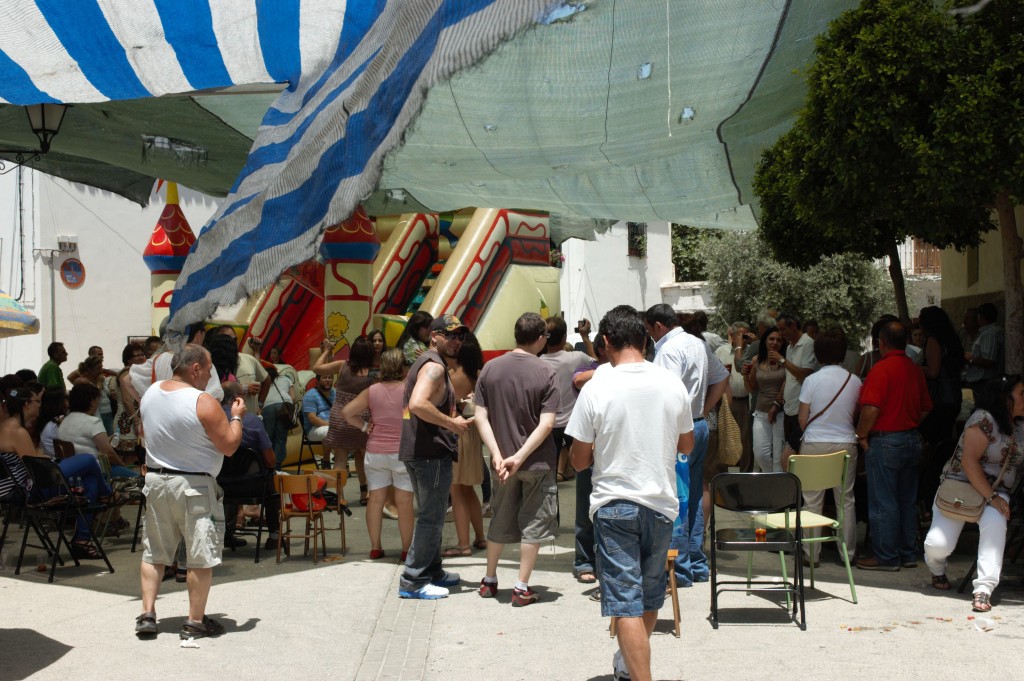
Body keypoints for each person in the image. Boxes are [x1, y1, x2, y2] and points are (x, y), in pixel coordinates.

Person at [567, 305, 694, 681]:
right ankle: (627, 666)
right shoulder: (672, 383)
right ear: (645, 339)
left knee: (625, 604)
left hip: (614, 505)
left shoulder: (597, 387)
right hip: (660, 505)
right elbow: (686, 444)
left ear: (605, 342)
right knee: (650, 597)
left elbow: (577, 461)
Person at [136, 344, 246, 639]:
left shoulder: (151, 393)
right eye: (209, 370)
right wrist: (236, 418)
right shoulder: (203, 401)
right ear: (195, 368)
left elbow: (144, 433)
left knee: (154, 552)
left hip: (157, 481)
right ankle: (194, 621)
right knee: (200, 556)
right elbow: (229, 445)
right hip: (194, 486)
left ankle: (147, 614)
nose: (210, 376)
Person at [474, 313, 559, 606]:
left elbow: (480, 416)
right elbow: (547, 423)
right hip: (535, 463)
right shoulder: (545, 372)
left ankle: (489, 579)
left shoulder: (490, 368)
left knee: (500, 517)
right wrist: (519, 457)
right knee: (534, 523)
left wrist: (498, 455)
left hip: (501, 464)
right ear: (539, 339)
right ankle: (521, 587)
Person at [923, 375, 1024, 613]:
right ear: (1004, 397)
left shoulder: (1020, 426)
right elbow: (969, 462)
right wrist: (991, 497)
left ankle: (984, 589)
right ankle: (937, 569)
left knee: (996, 523)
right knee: (938, 545)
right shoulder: (984, 420)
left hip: (997, 493)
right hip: (962, 487)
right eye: (1021, 393)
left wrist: (995, 499)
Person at [644, 303, 728, 587]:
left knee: (677, 499)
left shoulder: (668, 350)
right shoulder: (696, 343)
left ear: (657, 326)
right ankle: (696, 563)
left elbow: (664, 395)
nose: (650, 337)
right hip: (698, 424)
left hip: (679, 429)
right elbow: (721, 377)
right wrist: (703, 409)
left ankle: (679, 569)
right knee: (691, 496)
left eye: (649, 331)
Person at [397, 314, 471, 599]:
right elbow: (417, 404)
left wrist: (455, 406)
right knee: (431, 516)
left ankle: (433, 570)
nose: (456, 340)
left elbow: (425, 402)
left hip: (421, 450)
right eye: (449, 334)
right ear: (434, 337)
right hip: (429, 453)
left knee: (434, 514)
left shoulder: (430, 363)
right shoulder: (435, 368)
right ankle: (413, 580)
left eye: (460, 336)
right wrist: (452, 424)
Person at [0, 383, 117, 559]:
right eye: (37, 401)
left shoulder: (6, 425)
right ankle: (108, 494)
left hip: (20, 487)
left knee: (90, 482)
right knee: (88, 460)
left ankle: (81, 541)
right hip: (28, 490)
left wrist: (43, 457)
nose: (40, 405)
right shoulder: (17, 431)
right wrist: (46, 458)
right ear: (27, 405)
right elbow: (38, 468)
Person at [854, 321, 932, 571]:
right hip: (911, 438)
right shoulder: (915, 369)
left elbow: (871, 407)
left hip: (887, 439)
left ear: (881, 342)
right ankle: (907, 553)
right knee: (907, 500)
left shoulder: (881, 369)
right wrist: (906, 422)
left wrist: (861, 435)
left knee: (883, 502)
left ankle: (886, 556)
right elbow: (925, 408)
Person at [792, 328, 861, 564]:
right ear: (842, 353)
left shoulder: (811, 380)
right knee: (846, 499)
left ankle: (812, 554)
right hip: (846, 443)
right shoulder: (855, 381)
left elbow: (802, 418)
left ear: (818, 353)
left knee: (812, 499)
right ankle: (848, 554)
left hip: (814, 443)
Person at [342, 348, 413, 560]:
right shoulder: (409, 390)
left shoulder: (372, 391)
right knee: (404, 502)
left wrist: (365, 427)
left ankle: (375, 547)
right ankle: (406, 550)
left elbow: (347, 413)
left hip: (375, 452)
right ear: (402, 368)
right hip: (402, 451)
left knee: (375, 500)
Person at [217, 381, 280, 551]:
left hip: (219, 483)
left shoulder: (212, 420)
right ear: (238, 399)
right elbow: (270, 460)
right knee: (272, 481)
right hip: (252, 485)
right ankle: (274, 536)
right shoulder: (252, 420)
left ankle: (227, 533)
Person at [917, 306, 966, 507]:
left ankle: (929, 494)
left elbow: (934, 371)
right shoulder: (951, 339)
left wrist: (914, 368)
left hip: (938, 401)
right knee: (944, 447)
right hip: (952, 397)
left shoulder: (933, 340)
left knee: (933, 451)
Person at [317, 336, 376, 503]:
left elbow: (317, 368)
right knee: (364, 457)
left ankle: (340, 496)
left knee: (340, 459)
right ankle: (366, 493)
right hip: (362, 418)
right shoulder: (372, 373)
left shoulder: (343, 366)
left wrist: (327, 351)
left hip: (339, 417)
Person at [444, 331, 487, 557]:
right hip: (472, 435)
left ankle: (463, 544)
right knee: (468, 488)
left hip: (456, 433)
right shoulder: (478, 373)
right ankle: (480, 537)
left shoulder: (453, 376)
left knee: (456, 488)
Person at [570, 334, 608, 589]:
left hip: (616, 455)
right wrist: (606, 372)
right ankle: (584, 561)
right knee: (585, 509)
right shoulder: (592, 372)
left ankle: (604, 561)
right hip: (590, 450)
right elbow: (577, 380)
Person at [540, 316, 595, 483]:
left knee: (548, 479)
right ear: (564, 337)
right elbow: (597, 362)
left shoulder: (537, 363)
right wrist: (585, 337)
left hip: (548, 424)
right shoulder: (576, 357)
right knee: (584, 471)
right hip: (574, 423)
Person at [57, 383, 137, 479]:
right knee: (139, 478)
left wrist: (105, 441)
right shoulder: (93, 422)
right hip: (96, 470)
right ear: (91, 401)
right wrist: (122, 465)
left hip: (72, 471)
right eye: (97, 400)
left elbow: (81, 443)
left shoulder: (65, 420)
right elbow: (109, 454)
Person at [745, 327, 788, 472]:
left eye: (779, 340)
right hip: (761, 412)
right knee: (760, 453)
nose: (775, 342)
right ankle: (773, 480)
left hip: (781, 413)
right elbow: (752, 389)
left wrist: (776, 405)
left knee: (778, 457)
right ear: (765, 341)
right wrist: (745, 376)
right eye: (771, 339)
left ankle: (778, 489)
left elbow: (787, 384)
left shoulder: (787, 361)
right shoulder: (756, 360)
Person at [776, 312, 818, 452]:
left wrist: (782, 360)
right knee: (790, 453)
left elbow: (804, 375)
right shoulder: (789, 347)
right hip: (788, 408)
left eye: (783, 329)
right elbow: (790, 376)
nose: (781, 334)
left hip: (801, 410)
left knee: (796, 453)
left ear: (793, 325)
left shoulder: (808, 344)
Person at [718, 322, 754, 471]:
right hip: (725, 401)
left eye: (745, 335)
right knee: (725, 436)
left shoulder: (753, 352)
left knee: (746, 439)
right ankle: (724, 473)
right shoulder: (721, 351)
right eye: (739, 335)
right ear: (731, 335)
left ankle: (745, 473)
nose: (742, 338)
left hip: (746, 401)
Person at [964, 302, 1004, 404]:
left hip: (983, 384)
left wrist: (970, 358)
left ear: (980, 318)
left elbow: (989, 361)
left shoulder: (990, 333)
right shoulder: (988, 332)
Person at [261, 364, 296, 469]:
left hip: (267, 407)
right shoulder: (286, 379)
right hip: (283, 407)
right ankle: (277, 466)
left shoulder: (263, 381)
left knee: (268, 438)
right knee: (280, 438)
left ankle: (267, 466)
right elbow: (293, 397)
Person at [302, 374, 335, 445]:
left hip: (332, 426)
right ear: (317, 381)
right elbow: (313, 419)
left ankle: (348, 454)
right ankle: (331, 456)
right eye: (324, 377)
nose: (328, 380)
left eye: (330, 377)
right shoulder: (310, 395)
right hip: (314, 428)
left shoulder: (335, 393)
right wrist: (332, 425)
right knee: (331, 432)